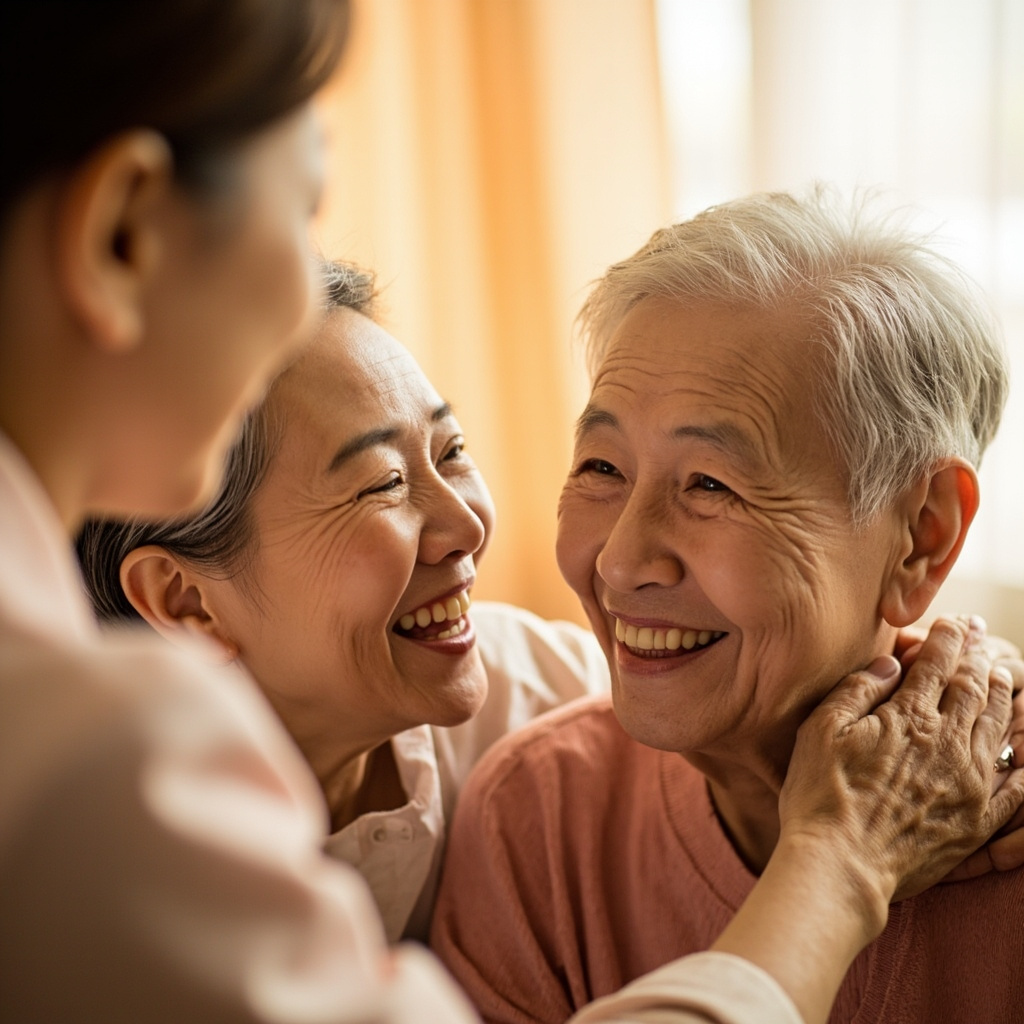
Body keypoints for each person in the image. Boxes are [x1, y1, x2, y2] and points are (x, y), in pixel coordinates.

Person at [0, 0, 1019, 1016]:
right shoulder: (90, 768)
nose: (618, 562)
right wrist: (842, 858)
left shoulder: (533, 694)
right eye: (302, 208)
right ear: (123, 233)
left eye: (451, 450)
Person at [429, 189, 1024, 1024]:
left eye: (711, 485)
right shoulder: (538, 822)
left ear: (922, 536)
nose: (621, 559)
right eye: (601, 468)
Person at [76, 259, 611, 943]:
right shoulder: (105, 886)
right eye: (382, 483)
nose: (467, 528)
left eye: (451, 451)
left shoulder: (553, 698)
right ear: (186, 603)